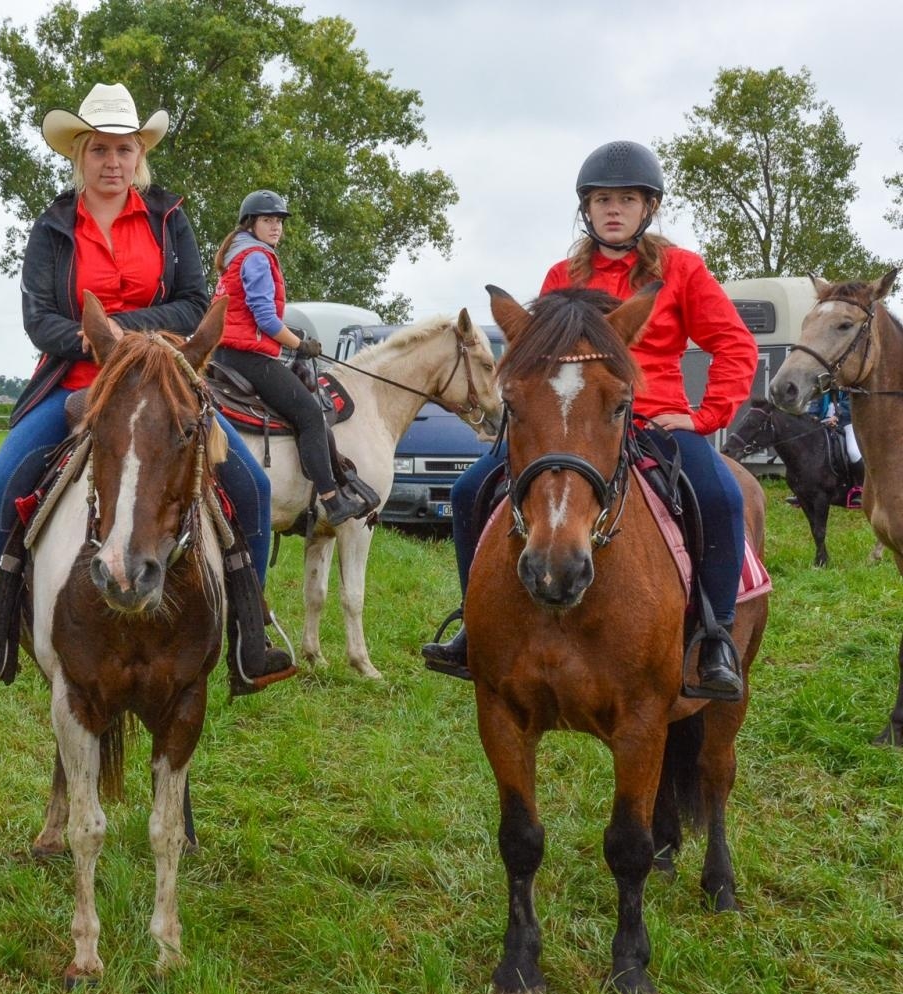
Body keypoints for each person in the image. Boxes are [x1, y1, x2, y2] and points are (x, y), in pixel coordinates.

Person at [0, 82, 292, 693]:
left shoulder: (169, 218)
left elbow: (193, 306)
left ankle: (251, 631)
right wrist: (93, 342)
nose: (113, 163)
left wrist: (120, 334)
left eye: (124, 150)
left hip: (164, 380)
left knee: (254, 484)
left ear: (140, 156)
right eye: (101, 150)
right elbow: (39, 320)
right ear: (80, 154)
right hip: (79, 381)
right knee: (1, 481)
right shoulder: (53, 227)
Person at [422, 140, 757, 698]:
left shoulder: (682, 271)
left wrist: (703, 417)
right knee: (467, 491)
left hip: (652, 418)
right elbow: (540, 358)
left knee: (723, 498)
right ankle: (470, 627)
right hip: (566, 425)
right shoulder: (561, 274)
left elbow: (735, 346)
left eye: (627, 199)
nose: (614, 209)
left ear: (648, 208)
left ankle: (716, 638)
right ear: (587, 208)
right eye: (602, 199)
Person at [211, 189, 372, 527]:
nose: (276, 227)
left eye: (279, 221)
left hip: (226, 352)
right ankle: (331, 498)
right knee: (311, 414)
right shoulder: (256, 256)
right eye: (268, 220)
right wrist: (299, 344)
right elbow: (266, 320)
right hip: (248, 357)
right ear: (250, 223)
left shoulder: (237, 255)